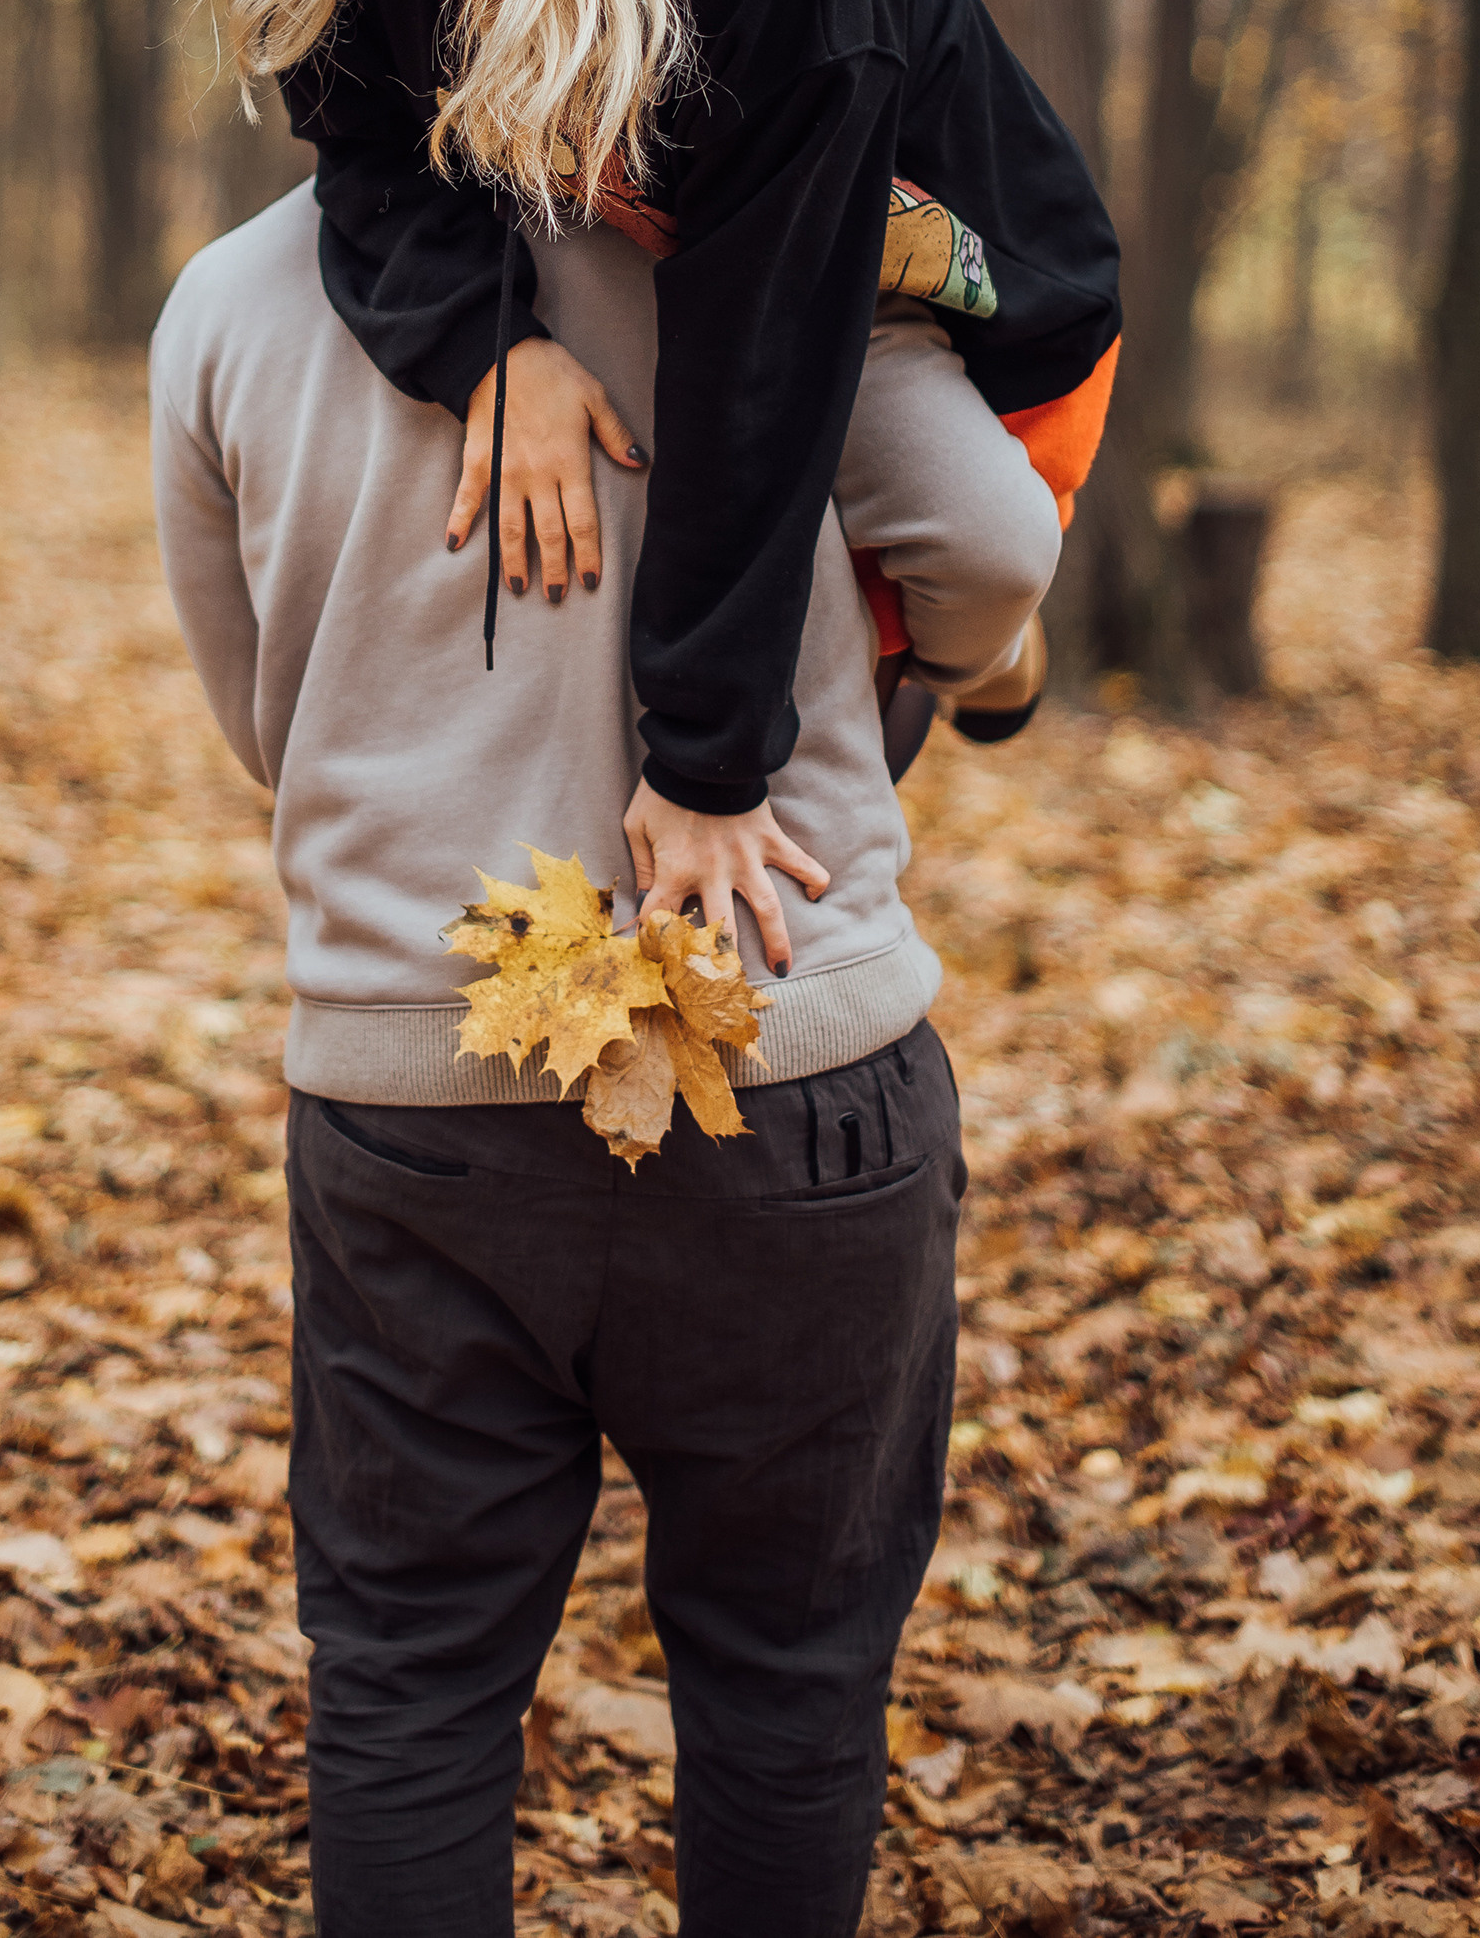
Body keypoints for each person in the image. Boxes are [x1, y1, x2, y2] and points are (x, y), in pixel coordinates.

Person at [149, 184, 1060, 1938]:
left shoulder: (231, 299)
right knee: (787, 1677)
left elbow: (261, 709)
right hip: (785, 1061)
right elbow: (992, 549)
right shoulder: (775, 222)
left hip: (415, 1078)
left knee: (409, 1678)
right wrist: (923, 677)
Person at [220, 0, 1119, 967]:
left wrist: (707, 767)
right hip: (624, 220)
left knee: (980, 553)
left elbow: (762, 366)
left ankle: (977, 663)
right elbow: (361, 148)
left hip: (889, 269)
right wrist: (493, 353)